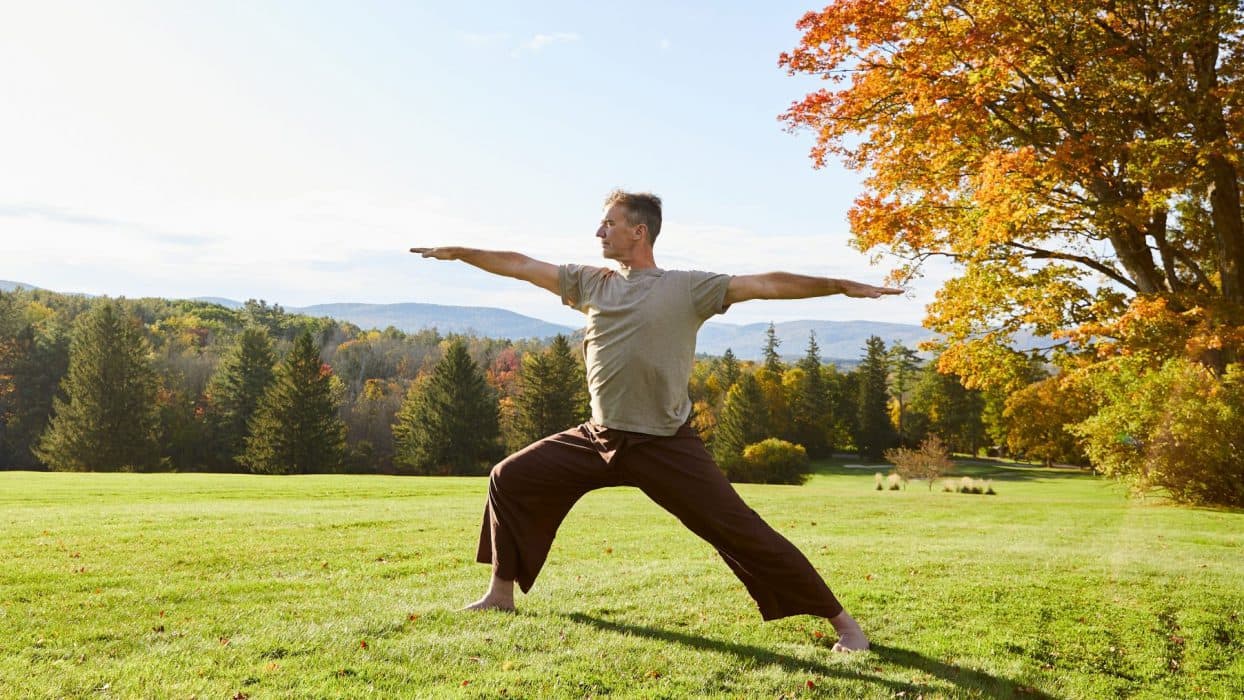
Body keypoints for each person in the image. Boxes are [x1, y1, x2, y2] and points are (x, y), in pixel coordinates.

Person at [410, 190, 902, 652]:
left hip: (664, 443)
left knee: (740, 529)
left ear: (638, 233)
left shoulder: (688, 288)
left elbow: (766, 283)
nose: (599, 232)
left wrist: (837, 286)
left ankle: (845, 624)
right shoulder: (589, 282)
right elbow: (519, 264)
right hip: (598, 436)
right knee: (509, 477)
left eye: (610, 224)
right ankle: (501, 592)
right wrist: (460, 252)